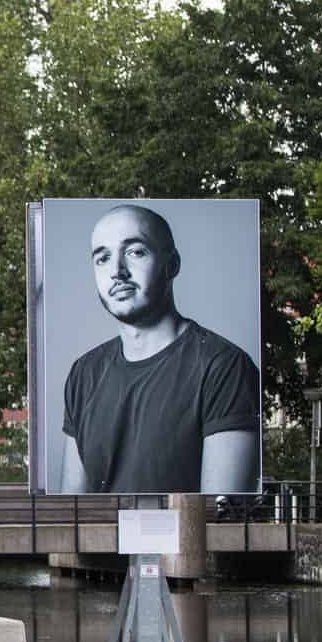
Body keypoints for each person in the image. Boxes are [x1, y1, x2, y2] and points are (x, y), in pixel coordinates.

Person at [59, 204, 260, 494]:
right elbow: (72, 511)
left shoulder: (224, 366)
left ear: (172, 264)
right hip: (101, 540)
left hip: (182, 541)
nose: (117, 271)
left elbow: (220, 519)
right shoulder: (84, 372)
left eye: (135, 252)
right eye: (102, 258)